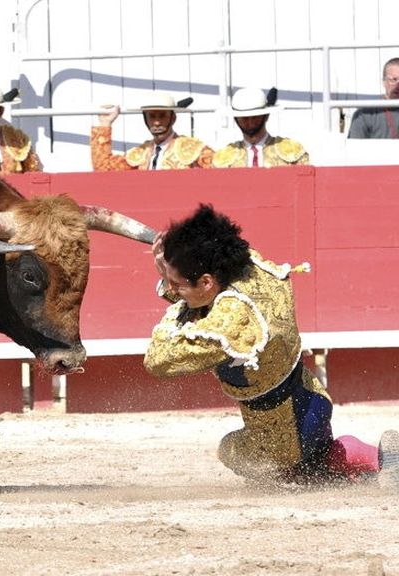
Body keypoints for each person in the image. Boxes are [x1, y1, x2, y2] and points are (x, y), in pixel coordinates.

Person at [144, 204, 399, 486]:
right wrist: (178, 262)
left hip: (282, 439)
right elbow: (206, 297)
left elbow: (157, 359)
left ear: (206, 282)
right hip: (313, 398)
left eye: (175, 284)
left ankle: (323, 476)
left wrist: (172, 290)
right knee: (317, 451)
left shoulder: (230, 324)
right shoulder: (251, 268)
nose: (171, 289)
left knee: (231, 451)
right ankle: (373, 458)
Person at [91, 92, 213, 171]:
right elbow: (103, 168)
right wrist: (105, 124)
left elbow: (220, 167)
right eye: (152, 116)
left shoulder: (192, 148)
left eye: (162, 116)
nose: (156, 122)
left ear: (173, 118)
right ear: (145, 119)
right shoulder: (140, 153)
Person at [213, 87, 309, 168]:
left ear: (266, 116)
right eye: (244, 119)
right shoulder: (223, 158)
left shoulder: (292, 151)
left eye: (255, 117)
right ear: (236, 119)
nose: (250, 122)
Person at [348, 57, 399, 139]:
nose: (398, 85)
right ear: (384, 82)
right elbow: (354, 150)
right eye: (394, 79)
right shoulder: (364, 114)